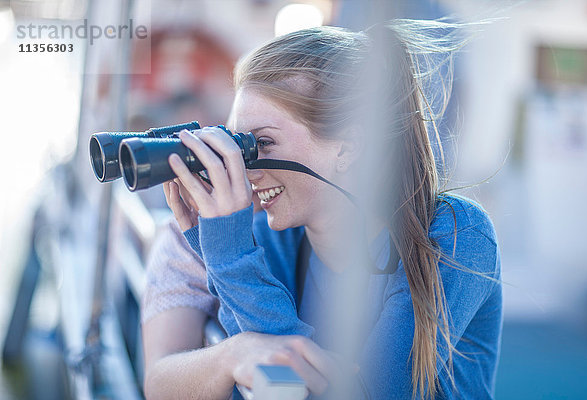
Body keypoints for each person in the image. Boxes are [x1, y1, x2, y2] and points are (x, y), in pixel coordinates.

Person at [142, 20, 502, 400]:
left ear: (348, 148)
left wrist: (232, 260)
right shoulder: (272, 243)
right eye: (240, 144)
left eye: (262, 142)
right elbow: (279, 391)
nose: (249, 169)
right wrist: (215, 251)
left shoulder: (454, 235)